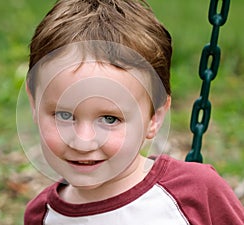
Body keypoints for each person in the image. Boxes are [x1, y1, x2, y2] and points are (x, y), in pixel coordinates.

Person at [23, 0, 244, 224]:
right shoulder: (42, 215)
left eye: (109, 119)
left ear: (154, 118)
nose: (83, 142)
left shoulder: (194, 193)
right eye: (63, 115)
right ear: (34, 105)